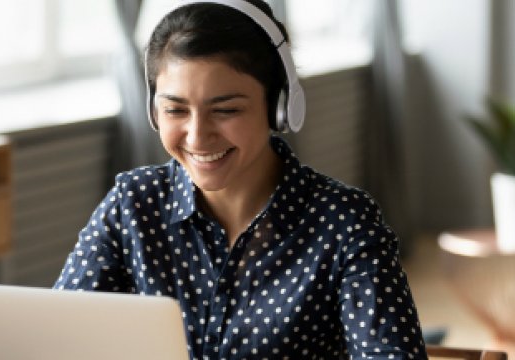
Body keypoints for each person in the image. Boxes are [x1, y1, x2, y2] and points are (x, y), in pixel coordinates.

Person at [54, 0, 427, 358]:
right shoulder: (132, 205)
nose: (198, 136)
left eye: (226, 110)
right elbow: (56, 336)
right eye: (175, 109)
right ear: (154, 112)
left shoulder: (344, 222)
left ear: (280, 106)